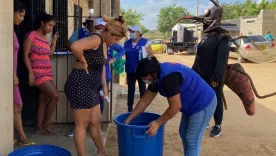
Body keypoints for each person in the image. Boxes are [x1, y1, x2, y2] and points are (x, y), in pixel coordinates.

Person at [124, 56, 217, 156]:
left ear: (151, 74)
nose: (144, 81)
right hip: (191, 104)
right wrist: (129, 119)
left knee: (192, 139)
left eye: (144, 78)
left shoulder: (168, 77)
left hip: (203, 102)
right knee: (183, 133)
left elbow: (175, 106)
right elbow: (145, 101)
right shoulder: (157, 76)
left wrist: (157, 122)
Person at [64, 16, 126, 156]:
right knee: (82, 124)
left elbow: (102, 67)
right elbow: (75, 46)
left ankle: (101, 151)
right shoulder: (96, 38)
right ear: (109, 33)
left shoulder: (104, 43)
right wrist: (83, 60)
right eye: (115, 39)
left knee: (95, 120)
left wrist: (104, 87)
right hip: (80, 83)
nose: (115, 42)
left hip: (92, 86)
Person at [190, 2, 229, 137]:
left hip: (213, 77)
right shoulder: (206, 37)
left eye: (206, 21)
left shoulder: (222, 38)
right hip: (200, 75)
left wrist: (216, 77)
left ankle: (217, 124)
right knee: (203, 97)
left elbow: (221, 61)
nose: (204, 24)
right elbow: (199, 57)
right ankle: (205, 120)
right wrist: (193, 72)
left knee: (216, 98)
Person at [23, 12, 59, 135]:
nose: (51, 28)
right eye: (49, 25)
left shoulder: (45, 38)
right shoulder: (31, 35)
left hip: (47, 72)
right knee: (55, 96)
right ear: (42, 23)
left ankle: (38, 128)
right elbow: (25, 56)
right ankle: (46, 123)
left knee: (43, 99)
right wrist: (30, 73)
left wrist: (53, 41)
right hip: (38, 73)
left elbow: (49, 55)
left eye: (52, 26)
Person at [13, 1, 35, 146]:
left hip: (12, 74)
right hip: (9, 76)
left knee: (15, 106)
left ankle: (17, 136)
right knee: (17, 106)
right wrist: (11, 74)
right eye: (20, 15)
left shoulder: (12, 30)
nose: (22, 19)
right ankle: (22, 138)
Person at [124, 25, 154, 112]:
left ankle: (141, 109)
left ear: (138, 33)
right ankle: (130, 109)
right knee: (131, 90)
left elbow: (151, 55)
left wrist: (147, 64)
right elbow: (122, 53)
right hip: (130, 71)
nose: (131, 33)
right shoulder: (127, 43)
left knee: (142, 90)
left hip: (141, 71)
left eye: (133, 32)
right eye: (130, 32)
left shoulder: (145, 42)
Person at [99, 42, 126, 113]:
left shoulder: (109, 43)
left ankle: (98, 121)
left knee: (100, 99)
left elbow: (123, 50)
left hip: (106, 75)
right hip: (93, 76)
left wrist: (114, 59)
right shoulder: (94, 41)